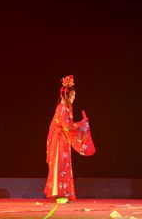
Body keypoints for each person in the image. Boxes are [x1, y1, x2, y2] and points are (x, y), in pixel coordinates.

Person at [44, 75, 95, 203]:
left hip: (63, 140)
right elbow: (67, 126)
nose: (74, 97)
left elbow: (68, 126)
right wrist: (82, 125)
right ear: (66, 95)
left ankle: (63, 193)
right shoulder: (61, 108)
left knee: (64, 165)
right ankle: (59, 193)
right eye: (72, 95)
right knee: (60, 165)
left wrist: (82, 124)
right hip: (59, 140)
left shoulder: (66, 108)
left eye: (74, 95)